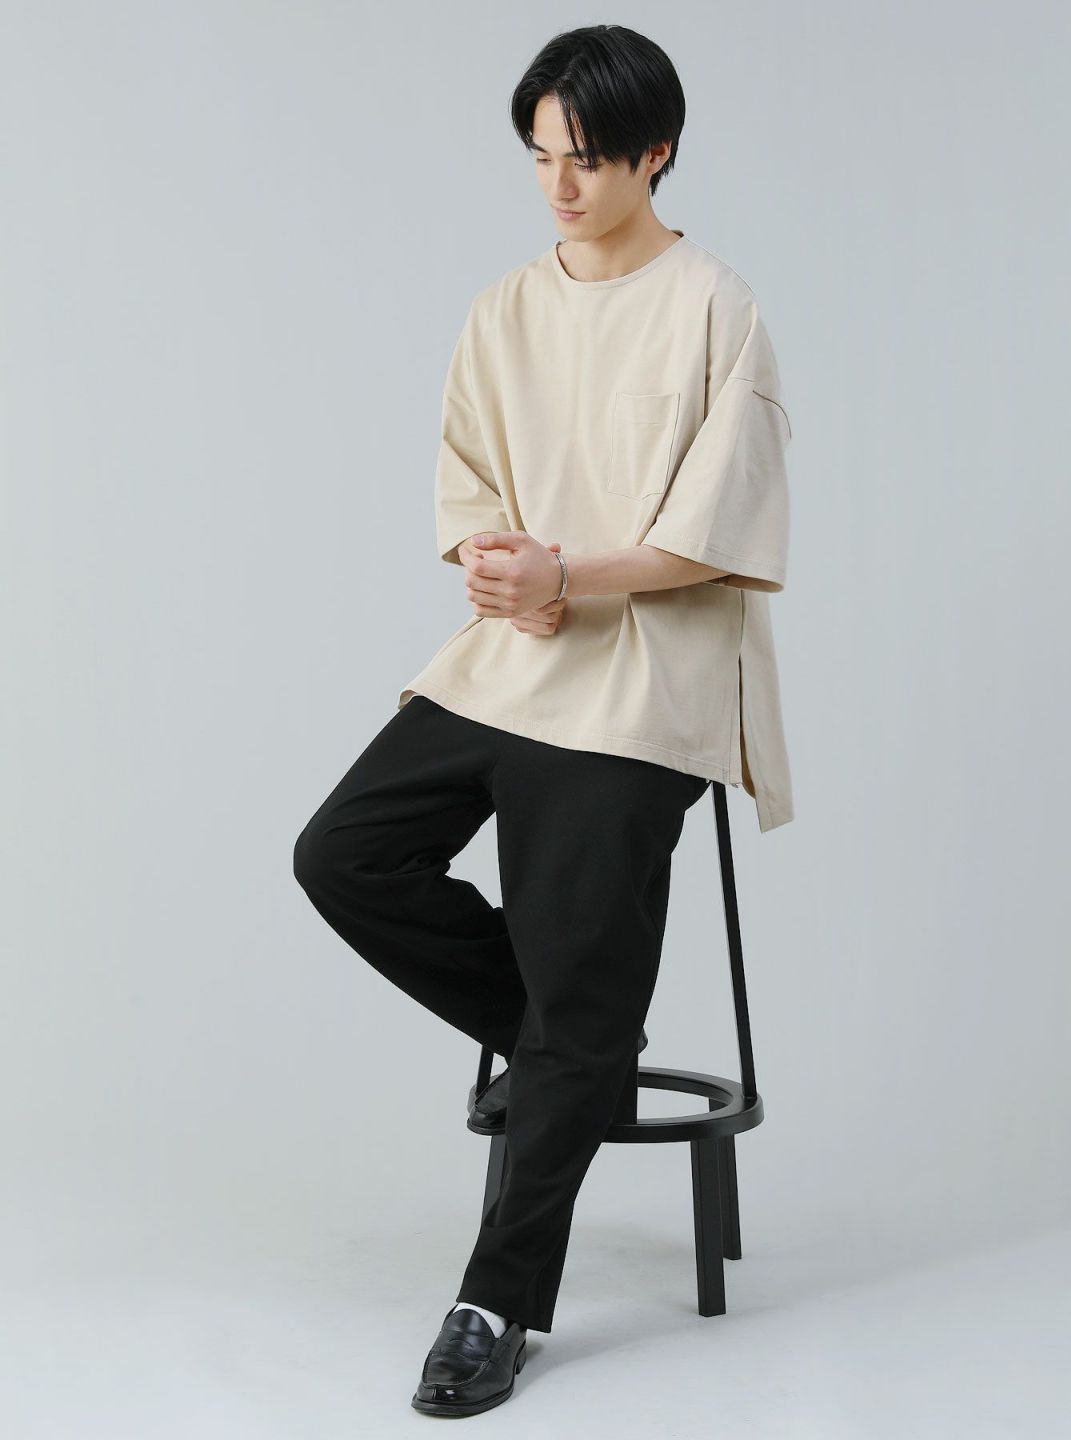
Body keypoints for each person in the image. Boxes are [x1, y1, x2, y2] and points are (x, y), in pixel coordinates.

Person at [293, 22, 793, 1419]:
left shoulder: (715, 308)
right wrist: (497, 564)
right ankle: (574, 1041)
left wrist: (569, 573)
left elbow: (718, 535)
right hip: (512, 660)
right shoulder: (504, 310)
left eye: (586, 160)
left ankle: (494, 1302)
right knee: (343, 856)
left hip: (647, 680)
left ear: (655, 154)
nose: (559, 186)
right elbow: (469, 490)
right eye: (539, 157)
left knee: (577, 1006)